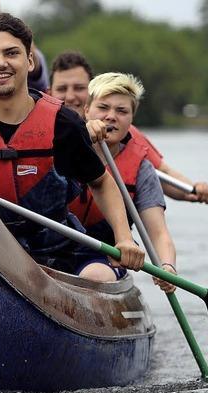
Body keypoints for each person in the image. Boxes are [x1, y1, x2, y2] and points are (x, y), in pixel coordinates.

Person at [0, 12, 145, 278]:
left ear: (30, 61)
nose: (0, 63)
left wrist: (124, 238)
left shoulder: (64, 123)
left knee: (96, 276)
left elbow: (101, 182)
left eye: (11, 53)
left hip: (59, 253)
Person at [48, 51, 208, 204]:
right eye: (62, 89)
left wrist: (194, 189)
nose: (70, 96)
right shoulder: (40, 128)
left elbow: (163, 173)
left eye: (79, 88)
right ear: (49, 93)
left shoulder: (124, 132)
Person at [68, 72, 177, 289]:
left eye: (121, 111)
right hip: (52, 243)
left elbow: (158, 232)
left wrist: (167, 266)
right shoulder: (61, 147)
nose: (111, 116)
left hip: (105, 254)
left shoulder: (142, 169)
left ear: (131, 118)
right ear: (86, 110)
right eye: (103, 107)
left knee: (95, 275)